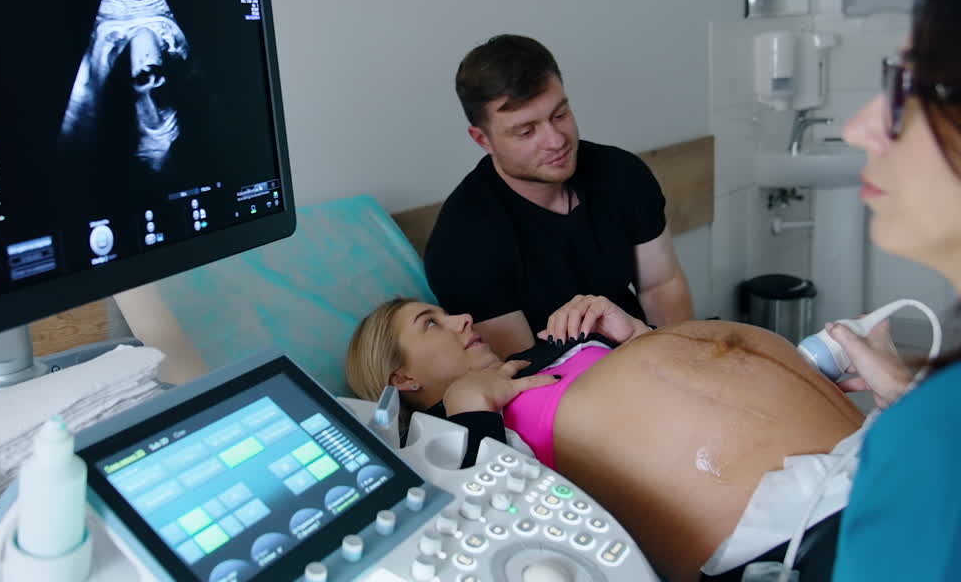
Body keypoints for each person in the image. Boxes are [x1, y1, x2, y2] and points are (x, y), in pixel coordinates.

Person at [345, 295, 864, 582]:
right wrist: (471, 406)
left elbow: (674, 386)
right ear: (401, 379)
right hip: (775, 539)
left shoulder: (546, 353)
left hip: (863, 461)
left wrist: (640, 333)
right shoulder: (444, 436)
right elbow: (489, 526)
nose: (460, 316)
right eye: (430, 324)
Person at [823, 0, 961, 581]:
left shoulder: (929, 449)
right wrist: (913, 398)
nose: (861, 128)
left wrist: (921, 430)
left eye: (910, 86)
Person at [425, 35, 693, 359]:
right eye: (526, 131)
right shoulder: (462, 242)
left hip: (644, 352)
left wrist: (680, 364)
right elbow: (527, 372)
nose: (555, 141)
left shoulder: (622, 174)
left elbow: (661, 286)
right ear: (483, 139)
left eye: (560, 115)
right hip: (561, 392)